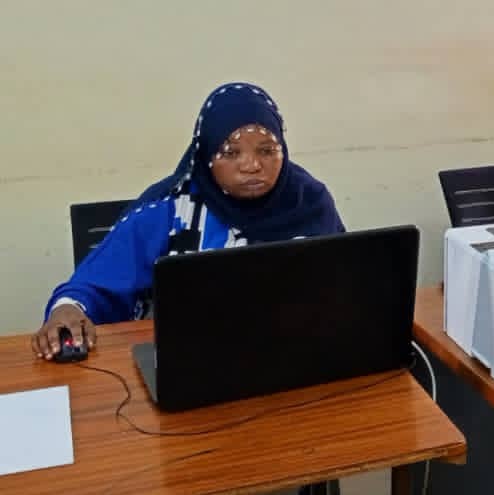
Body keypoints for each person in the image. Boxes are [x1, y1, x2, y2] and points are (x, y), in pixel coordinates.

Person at [32, 82, 345, 359]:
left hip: (296, 355)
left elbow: (344, 280)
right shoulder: (167, 209)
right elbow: (91, 286)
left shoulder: (310, 201)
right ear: (205, 154)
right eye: (230, 153)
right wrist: (67, 309)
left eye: (267, 151)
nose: (251, 165)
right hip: (191, 361)